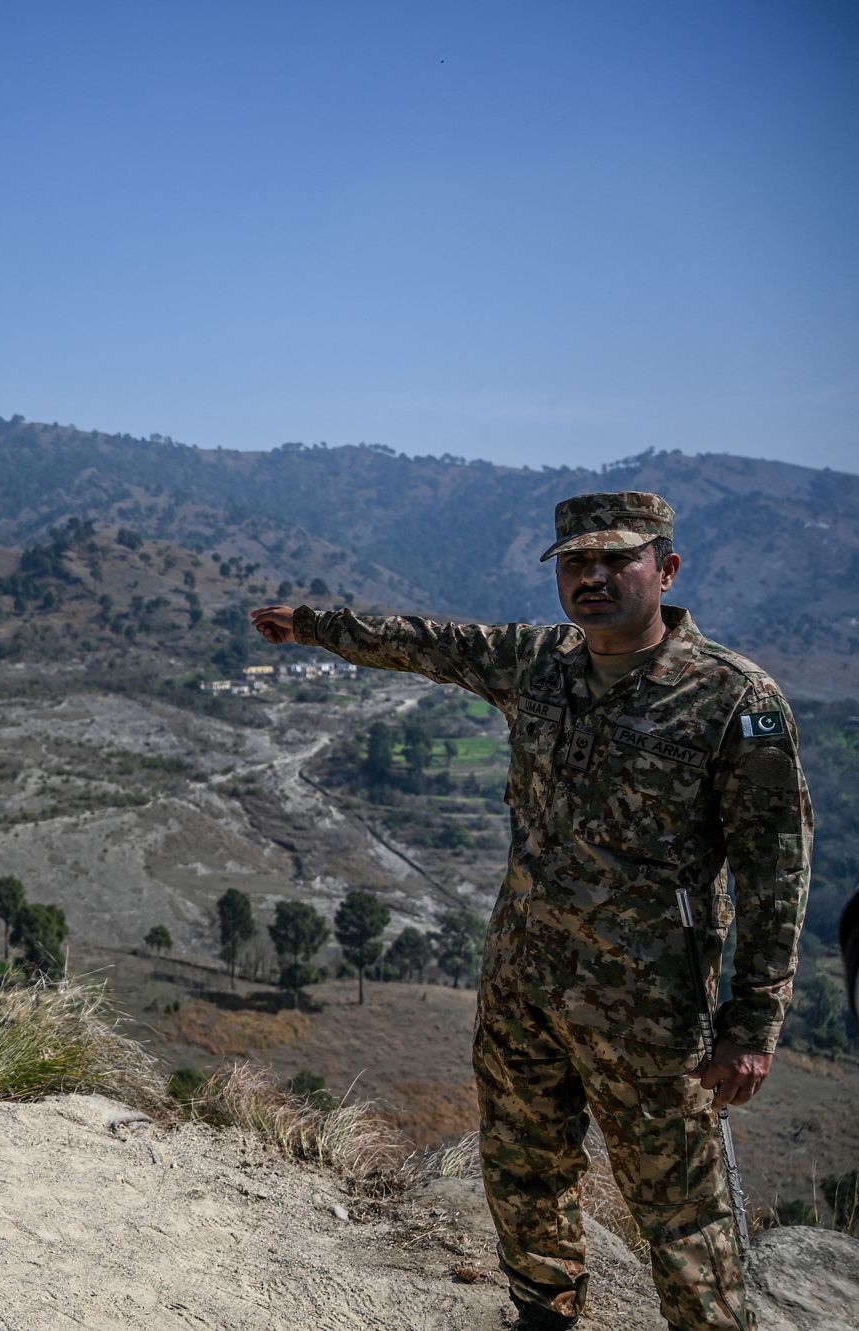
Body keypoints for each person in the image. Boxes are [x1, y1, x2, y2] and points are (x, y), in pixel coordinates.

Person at [249, 492, 811, 1331]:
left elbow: (778, 868)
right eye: (575, 563)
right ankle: (542, 1314)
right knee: (521, 1163)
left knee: (677, 1205)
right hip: (523, 981)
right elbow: (427, 643)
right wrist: (313, 625)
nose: (592, 577)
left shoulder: (730, 696)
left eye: (615, 559)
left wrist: (753, 1024)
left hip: (650, 1009)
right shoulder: (540, 663)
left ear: (667, 568)